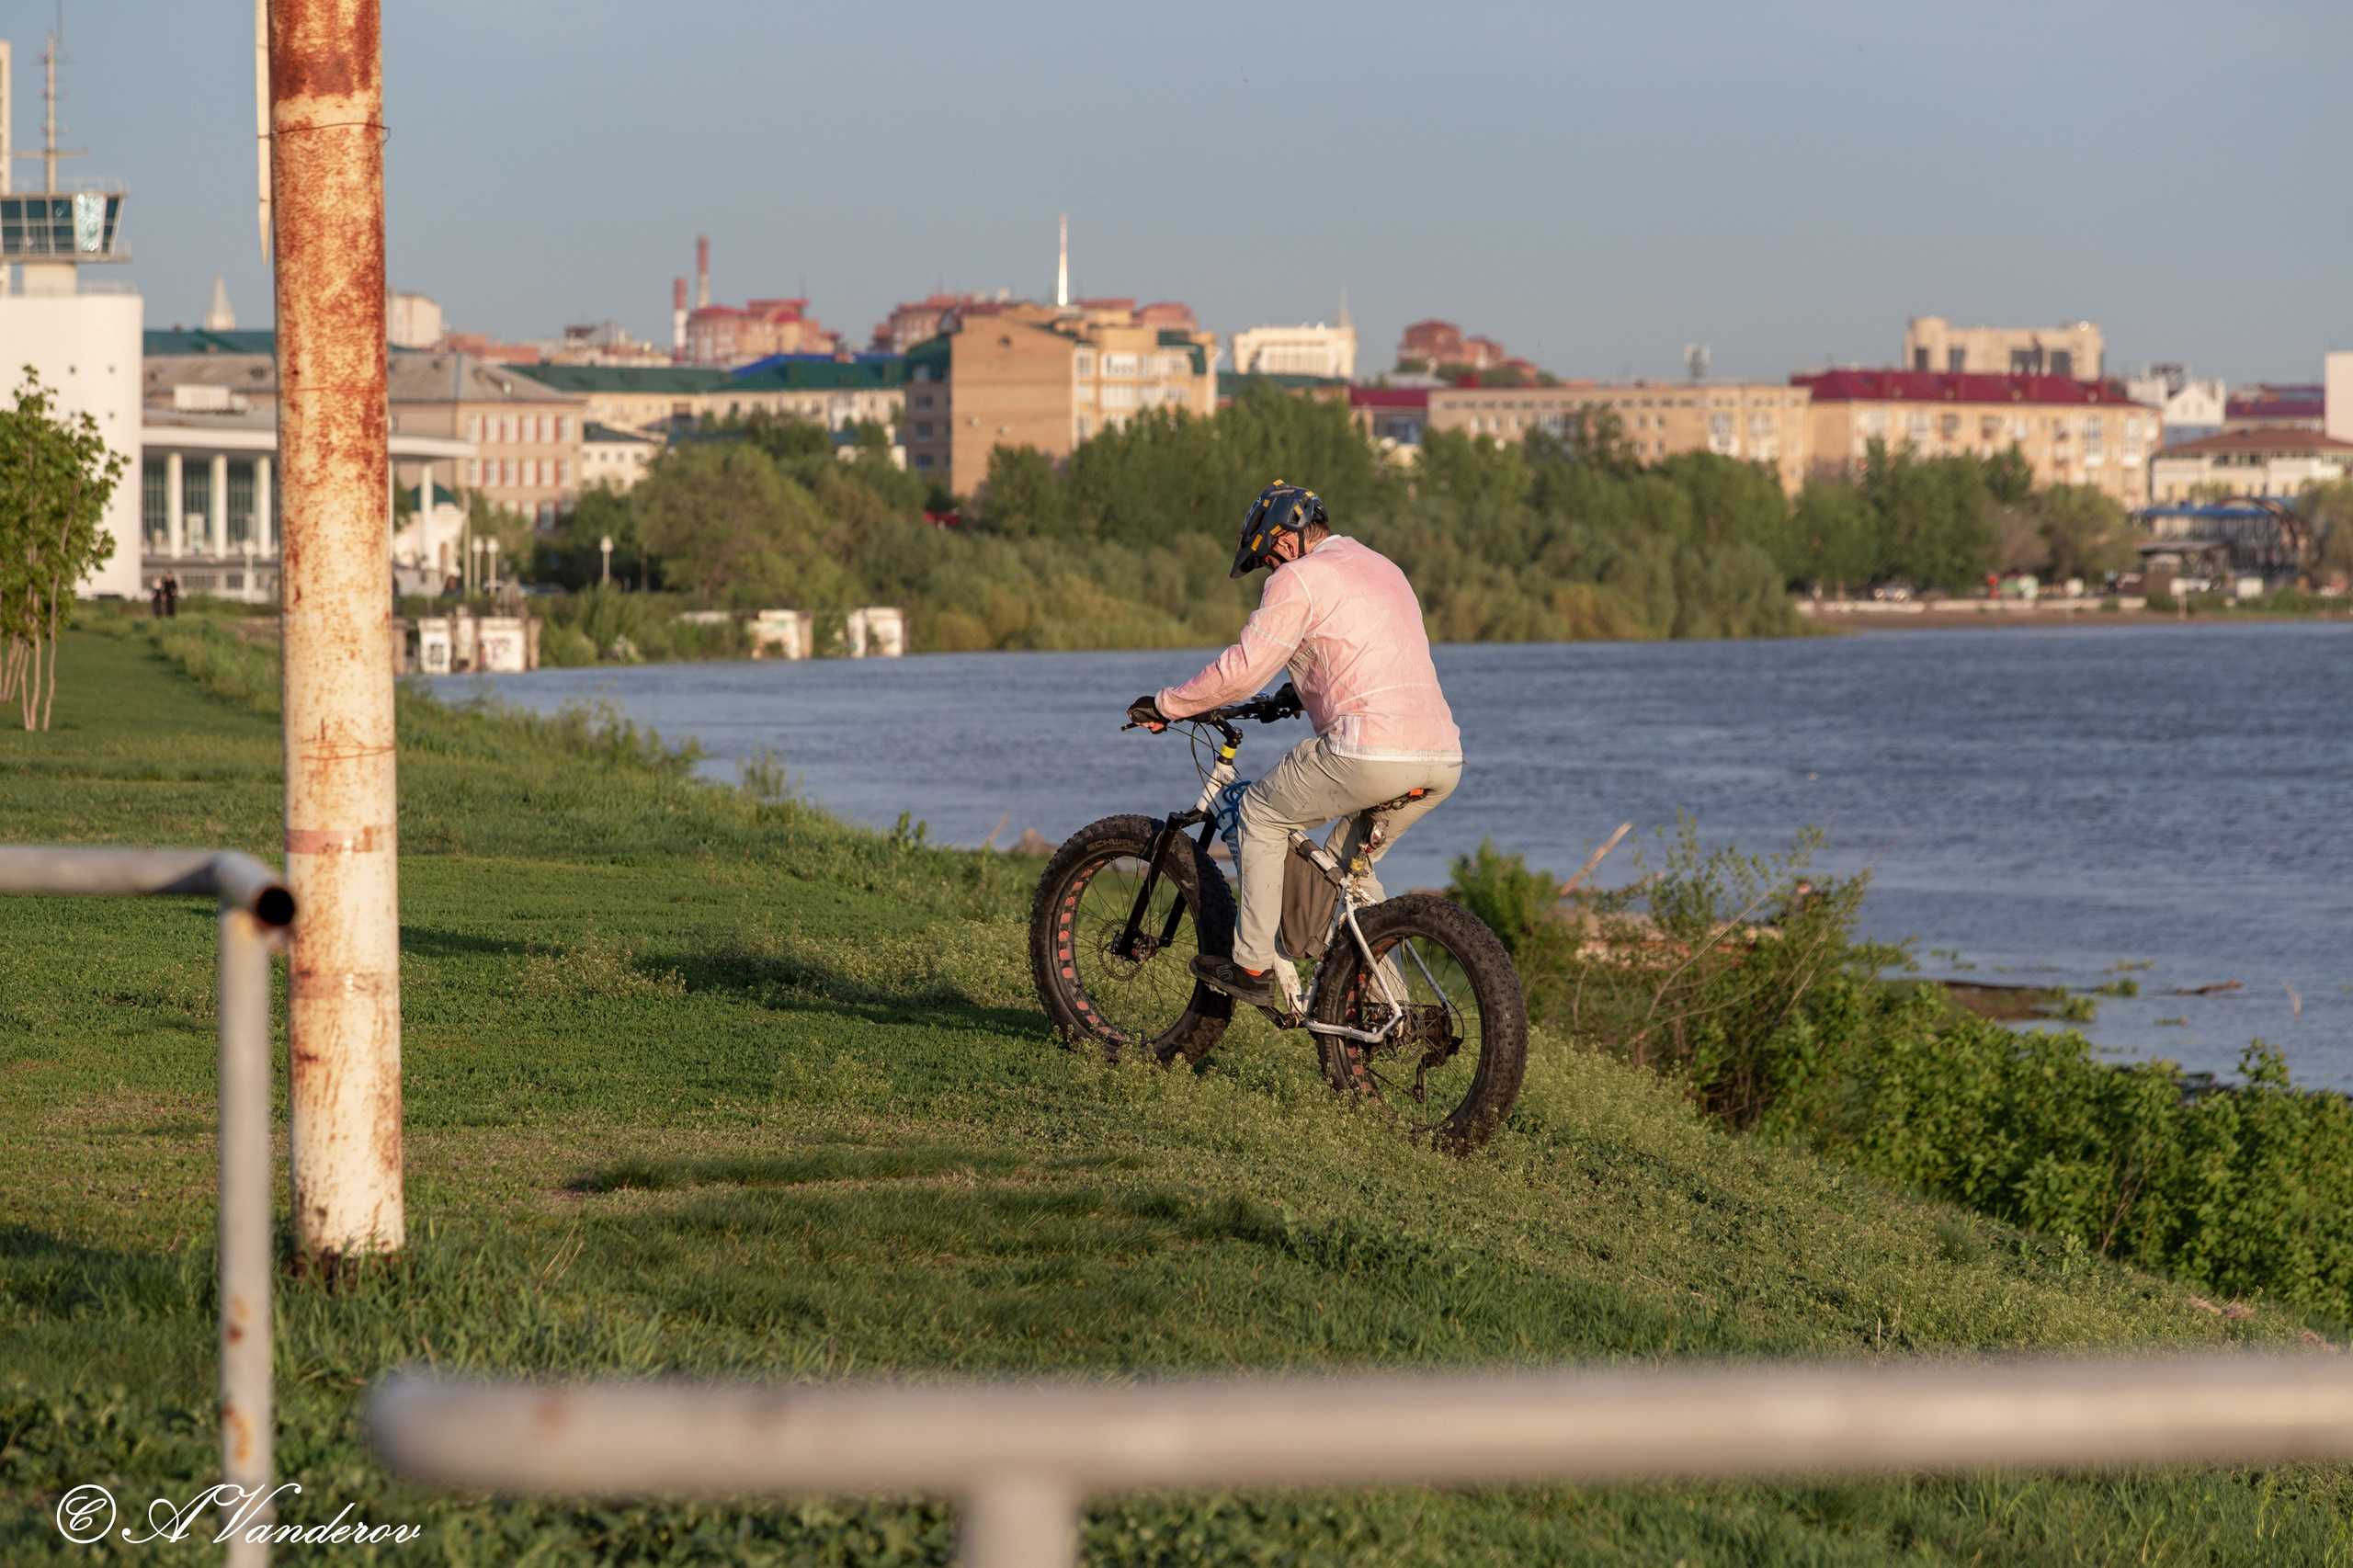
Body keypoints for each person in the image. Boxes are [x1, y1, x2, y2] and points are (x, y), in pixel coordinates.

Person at [1129, 482, 1462, 1010]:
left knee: (1259, 815)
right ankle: (1391, 1009)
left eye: (1266, 562)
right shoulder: (1379, 566)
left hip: (1367, 751)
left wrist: (1169, 705)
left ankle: (1252, 965)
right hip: (1440, 756)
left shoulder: (1298, 579)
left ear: (1282, 544)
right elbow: (1360, 654)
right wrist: (1296, 695)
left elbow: (1239, 673)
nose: (1271, 572)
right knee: (1350, 876)